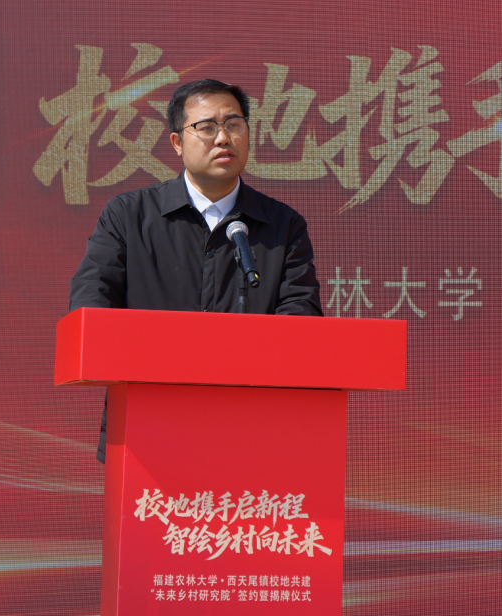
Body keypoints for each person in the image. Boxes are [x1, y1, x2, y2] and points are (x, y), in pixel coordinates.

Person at [69, 79, 323, 462]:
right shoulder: (128, 216)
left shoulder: (283, 225)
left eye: (234, 124)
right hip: (148, 427)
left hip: (251, 430)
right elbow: (92, 303)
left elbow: (300, 319)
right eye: (206, 127)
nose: (223, 138)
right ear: (177, 142)